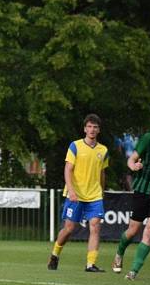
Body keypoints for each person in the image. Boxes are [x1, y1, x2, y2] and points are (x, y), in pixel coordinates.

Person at [47, 114, 109, 272]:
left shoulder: (103, 150)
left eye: (95, 127)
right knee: (69, 229)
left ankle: (90, 264)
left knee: (95, 227)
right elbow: (68, 169)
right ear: (84, 129)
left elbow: (102, 173)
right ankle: (55, 254)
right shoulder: (75, 146)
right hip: (75, 195)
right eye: (89, 126)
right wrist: (72, 191)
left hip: (94, 195)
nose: (92, 129)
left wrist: (101, 191)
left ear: (99, 130)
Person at [112, 130, 150, 279]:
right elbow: (131, 159)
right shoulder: (149, 138)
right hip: (142, 190)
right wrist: (133, 166)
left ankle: (133, 271)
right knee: (132, 231)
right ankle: (119, 252)